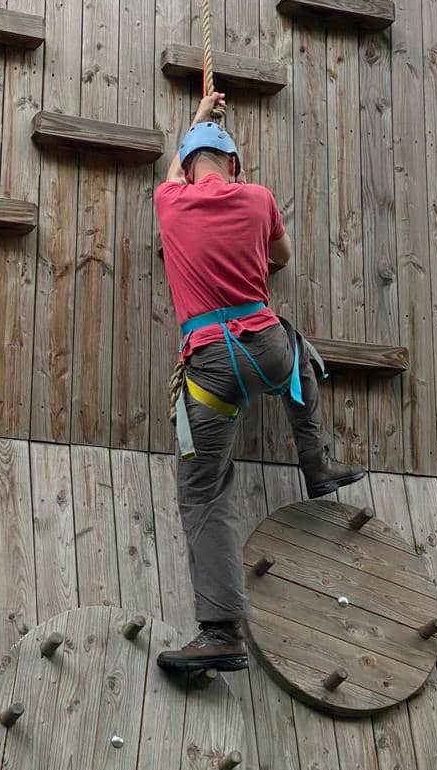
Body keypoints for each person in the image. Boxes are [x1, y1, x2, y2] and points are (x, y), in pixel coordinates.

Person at [154, 92, 365, 673]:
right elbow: (283, 255)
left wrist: (197, 120)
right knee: (298, 351)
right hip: (265, 348)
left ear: (189, 168)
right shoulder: (257, 198)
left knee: (203, 493)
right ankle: (316, 464)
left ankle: (221, 632)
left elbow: (173, 173)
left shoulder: (170, 202)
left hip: (210, 366)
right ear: (235, 165)